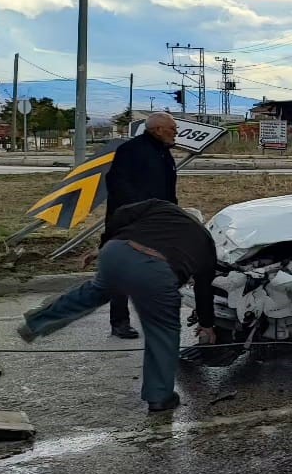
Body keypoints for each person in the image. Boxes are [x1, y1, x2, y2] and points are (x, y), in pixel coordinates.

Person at [17, 199, 218, 413]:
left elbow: (122, 212)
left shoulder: (162, 207)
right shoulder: (206, 241)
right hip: (156, 271)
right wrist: (207, 325)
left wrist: (104, 244)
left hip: (116, 252)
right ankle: (160, 397)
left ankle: (36, 323)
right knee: (163, 331)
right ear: (201, 223)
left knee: (92, 293)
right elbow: (204, 289)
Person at [101, 111, 181, 339]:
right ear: (157, 130)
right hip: (129, 223)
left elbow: (167, 190)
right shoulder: (131, 151)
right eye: (172, 129)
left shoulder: (163, 153)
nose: (176, 133)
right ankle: (119, 322)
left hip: (157, 222)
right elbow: (118, 185)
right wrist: (140, 212)